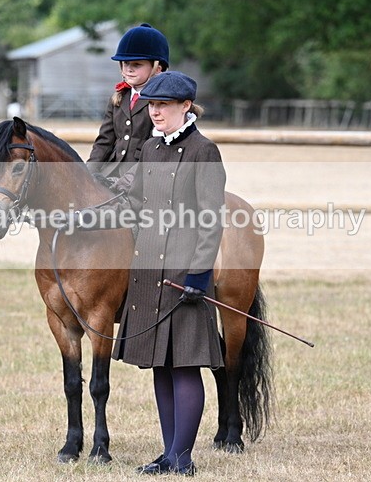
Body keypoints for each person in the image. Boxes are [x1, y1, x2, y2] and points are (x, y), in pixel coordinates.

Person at [110, 71, 226, 476]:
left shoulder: (203, 151)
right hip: (148, 270)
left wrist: (198, 275)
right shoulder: (149, 148)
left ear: (185, 107)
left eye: (162, 105)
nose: (154, 111)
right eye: (151, 105)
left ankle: (183, 458)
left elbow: (212, 221)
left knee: (184, 365)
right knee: (159, 364)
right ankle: (168, 453)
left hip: (182, 272)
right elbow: (135, 196)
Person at [87, 23, 169, 183]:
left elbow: (156, 149)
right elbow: (104, 141)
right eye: (125, 64)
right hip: (110, 171)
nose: (129, 69)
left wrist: (125, 181)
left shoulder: (162, 102)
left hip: (143, 176)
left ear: (157, 68)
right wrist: (87, 173)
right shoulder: (118, 98)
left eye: (137, 64)